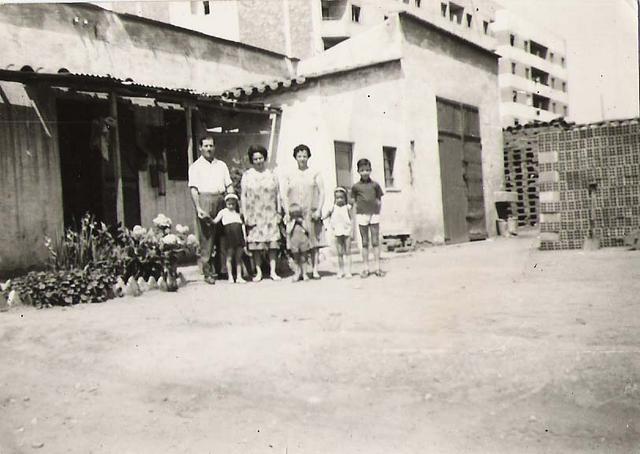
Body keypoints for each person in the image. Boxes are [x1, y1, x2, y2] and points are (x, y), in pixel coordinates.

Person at [188, 134, 234, 284]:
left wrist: (231, 200)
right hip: (205, 199)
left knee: (223, 235)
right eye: (206, 146)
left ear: (214, 147)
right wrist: (199, 208)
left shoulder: (221, 165)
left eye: (211, 146)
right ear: (200, 148)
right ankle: (207, 272)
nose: (209, 148)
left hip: (221, 199)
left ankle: (222, 270)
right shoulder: (195, 167)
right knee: (206, 237)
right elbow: (194, 189)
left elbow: (229, 185)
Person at [281, 144, 325, 279]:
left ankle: (315, 269)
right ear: (295, 157)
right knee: (297, 244)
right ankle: (299, 271)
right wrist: (287, 211)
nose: (302, 159)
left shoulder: (315, 172)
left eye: (304, 156)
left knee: (314, 242)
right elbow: (283, 194)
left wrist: (319, 209)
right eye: (299, 156)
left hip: (311, 211)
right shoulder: (289, 174)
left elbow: (322, 191)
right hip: (295, 214)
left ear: (308, 157)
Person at [240, 145, 282, 282]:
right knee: (256, 246)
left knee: (272, 245)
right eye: (255, 159)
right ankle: (258, 272)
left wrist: (279, 211)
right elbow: (243, 196)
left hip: (270, 214)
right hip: (254, 214)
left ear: (265, 158)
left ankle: (273, 272)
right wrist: (245, 214)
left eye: (261, 158)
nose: (258, 161)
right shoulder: (247, 175)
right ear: (252, 160)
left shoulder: (271, 174)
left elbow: (278, 195)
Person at [351, 158, 384, 278]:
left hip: (374, 214)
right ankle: (365, 267)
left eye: (367, 170)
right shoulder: (356, 187)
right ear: (358, 171)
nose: (365, 172)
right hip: (362, 215)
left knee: (375, 241)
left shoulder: (375, 185)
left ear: (370, 170)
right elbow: (353, 201)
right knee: (364, 242)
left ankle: (377, 267)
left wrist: (377, 210)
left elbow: (379, 199)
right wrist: (356, 212)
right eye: (362, 170)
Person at [212, 194, 248, 284]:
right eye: (229, 204)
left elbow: (243, 227)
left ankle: (239, 276)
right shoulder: (223, 212)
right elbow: (215, 221)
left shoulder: (238, 214)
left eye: (233, 204)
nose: (231, 206)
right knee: (229, 257)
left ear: (236, 204)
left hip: (239, 237)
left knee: (238, 258)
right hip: (229, 237)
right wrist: (206, 219)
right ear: (226, 203)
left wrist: (245, 238)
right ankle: (230, 276)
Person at [326, 186, 353, 278]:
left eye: (341, 197)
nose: (339, 200)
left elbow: (351, 218)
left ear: (345, 198)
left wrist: (351, 229)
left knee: (348, 251)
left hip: (347, 230)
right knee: (340, 252)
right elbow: (327, 215)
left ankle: (348, 271)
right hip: (337, 230)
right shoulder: (333, 207)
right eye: (337, 198)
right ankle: (341, 270)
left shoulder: (348, 207)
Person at [286, 203, 311, 282]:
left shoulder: (303, 221)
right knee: (296, 259)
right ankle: (297, 273)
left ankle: (304, 273)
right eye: (294, 214)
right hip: (294, 242)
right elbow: (288, 231)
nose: (296, 216)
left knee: (304, 258)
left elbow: (307, 229)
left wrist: (301, 223)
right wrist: (293, 223)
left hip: (303, 241)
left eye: (297, 214)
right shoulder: (289, 222)